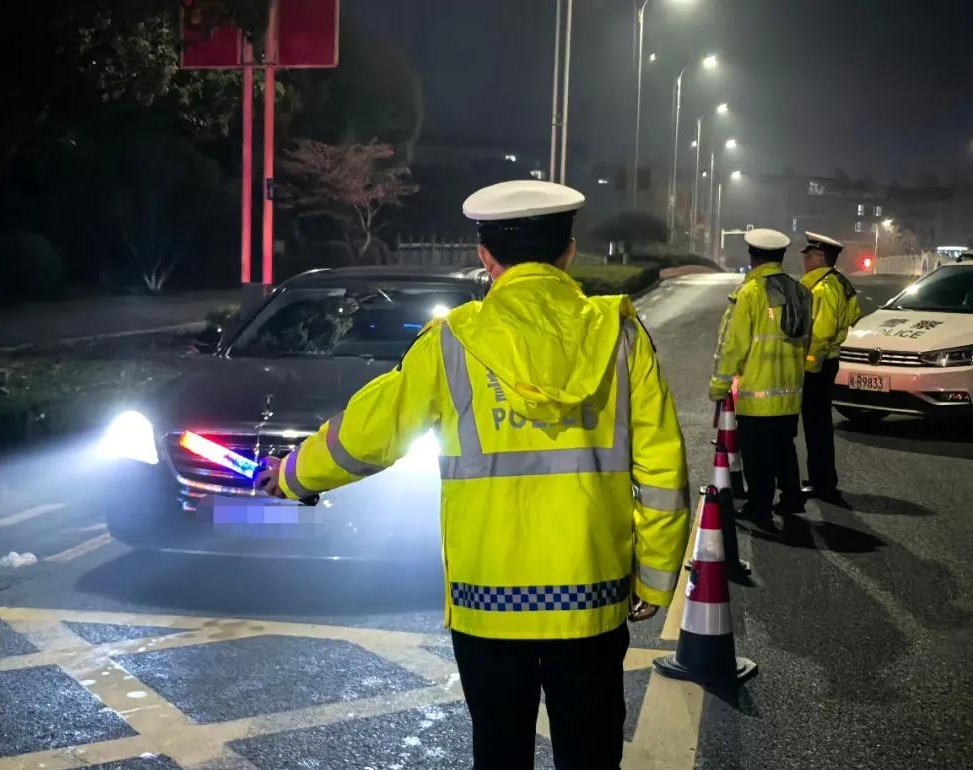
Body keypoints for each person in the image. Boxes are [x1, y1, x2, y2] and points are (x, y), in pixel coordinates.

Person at [257, 180, 691, 769]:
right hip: (591, 593)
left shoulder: (454, 341)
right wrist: (656, 580)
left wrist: (293, 476)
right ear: (569, 251)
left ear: (486, 257)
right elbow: (663, 467)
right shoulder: (620, 334)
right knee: (590, 754)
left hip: (490, 599)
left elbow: (370, 431)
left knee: (499, 749)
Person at [709, 228, 812, 526]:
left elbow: (734, 347)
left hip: (757, 392)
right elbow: (805, 341)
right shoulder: (801, 293)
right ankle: (792, 498)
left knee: (756, 455)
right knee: (784, 446)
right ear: (781, 257)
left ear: (753, 257)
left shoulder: (750, 293)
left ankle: (760, 507)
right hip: (790, 392)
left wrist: (719, 386)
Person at [800, 232, 862, 504]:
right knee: (820, 423)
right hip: (830, 361)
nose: (804, 260)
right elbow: (853, 315)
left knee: (816, 424)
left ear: (821, 257)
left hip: (819, 363)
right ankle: (822, 478)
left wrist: (809, 367)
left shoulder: (823, 288)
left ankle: (821, 482)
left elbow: (820, 335)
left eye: (809, 255)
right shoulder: (839, 283)